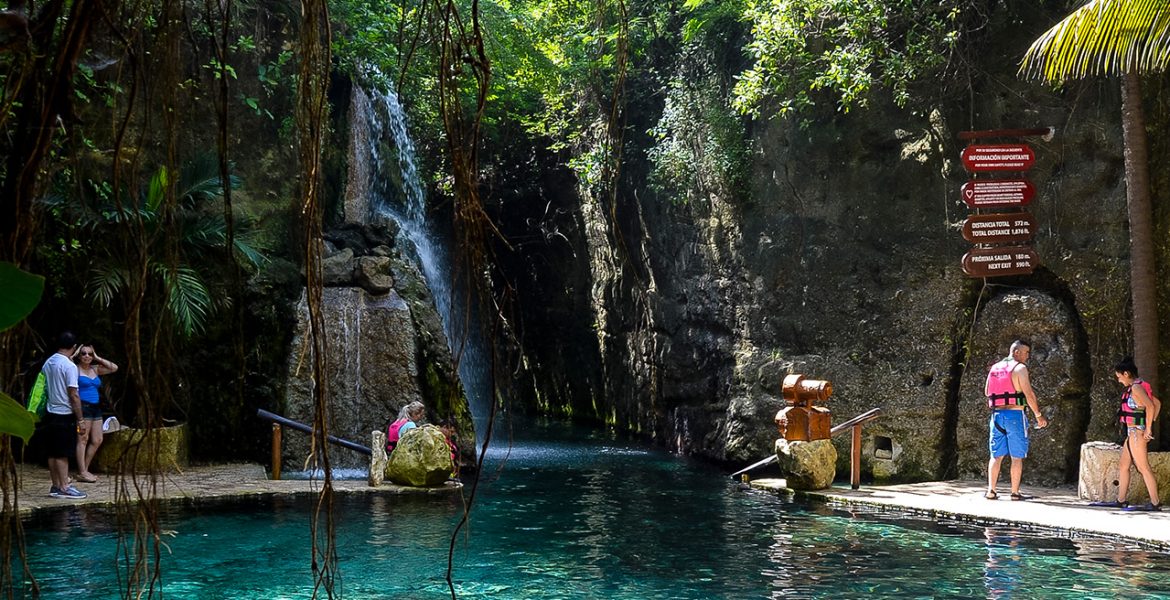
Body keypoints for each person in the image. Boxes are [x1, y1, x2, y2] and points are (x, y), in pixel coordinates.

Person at [1094, 357, 1161, 511]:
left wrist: (1148, 428)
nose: (1118, 380)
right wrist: (1150, 422)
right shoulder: (1136, 387)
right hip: (1132, 433)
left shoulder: (1137, 388)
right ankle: (1121, 500)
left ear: (1126, 373)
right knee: (1124, 465)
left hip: (1137, 433)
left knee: (1143, 467)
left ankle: (1155, 503)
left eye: (1119, 377)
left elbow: (1151, 406)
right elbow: (1157, 403)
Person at [984, 339, 1048, 501]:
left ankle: (991, 491)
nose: (1027, 356)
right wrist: (1038, 415)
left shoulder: (995, 367)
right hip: (1015, 416)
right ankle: (1015, 493)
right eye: (1026, 353)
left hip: (997, 416)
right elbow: (1029, 394)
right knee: (1016, 456)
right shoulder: (1020, 368)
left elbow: (987, 392)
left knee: (996, 456)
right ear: (1016, 352)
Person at [41, 331, 87, 499]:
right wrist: (81, 419)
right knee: (62, 453)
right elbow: (73, 394)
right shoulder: (69, 366)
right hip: (64, 413)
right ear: (74, 348)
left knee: (53, 452)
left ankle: (56, 485)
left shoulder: (49, 362)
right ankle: (65, 487)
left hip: (50, 411)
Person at [72, 344, 117, 483]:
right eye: (84, 353)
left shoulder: (95, 369)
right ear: (79, 356)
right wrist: (73, 355)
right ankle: (82, 471)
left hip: (96, 407)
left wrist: (97, 357)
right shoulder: (75, 370)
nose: (87, 356)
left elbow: (114, 368)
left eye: (89, 354)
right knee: (83, 439)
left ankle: (84, 469)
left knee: (97, 439)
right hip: (83, 407)